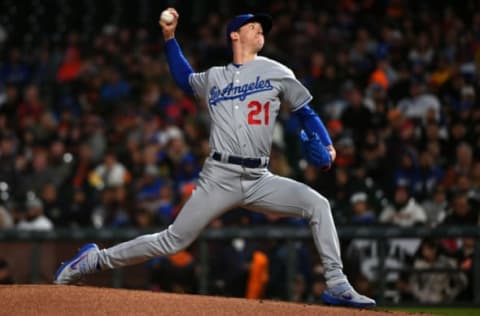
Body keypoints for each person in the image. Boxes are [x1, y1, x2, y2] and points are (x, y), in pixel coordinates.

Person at [53, 8, 375, 308]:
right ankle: (95, 259)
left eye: (262, 28)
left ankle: (336, 283)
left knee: (317, 204)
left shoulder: (276, 71)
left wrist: (328, 144)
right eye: (253, 26)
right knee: (172, 241)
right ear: (235, 34)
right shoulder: (214, 77)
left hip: (260, 178)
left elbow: (306, 111)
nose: (260, 29)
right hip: (219, 175)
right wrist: (169, 39)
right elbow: (184, 78)